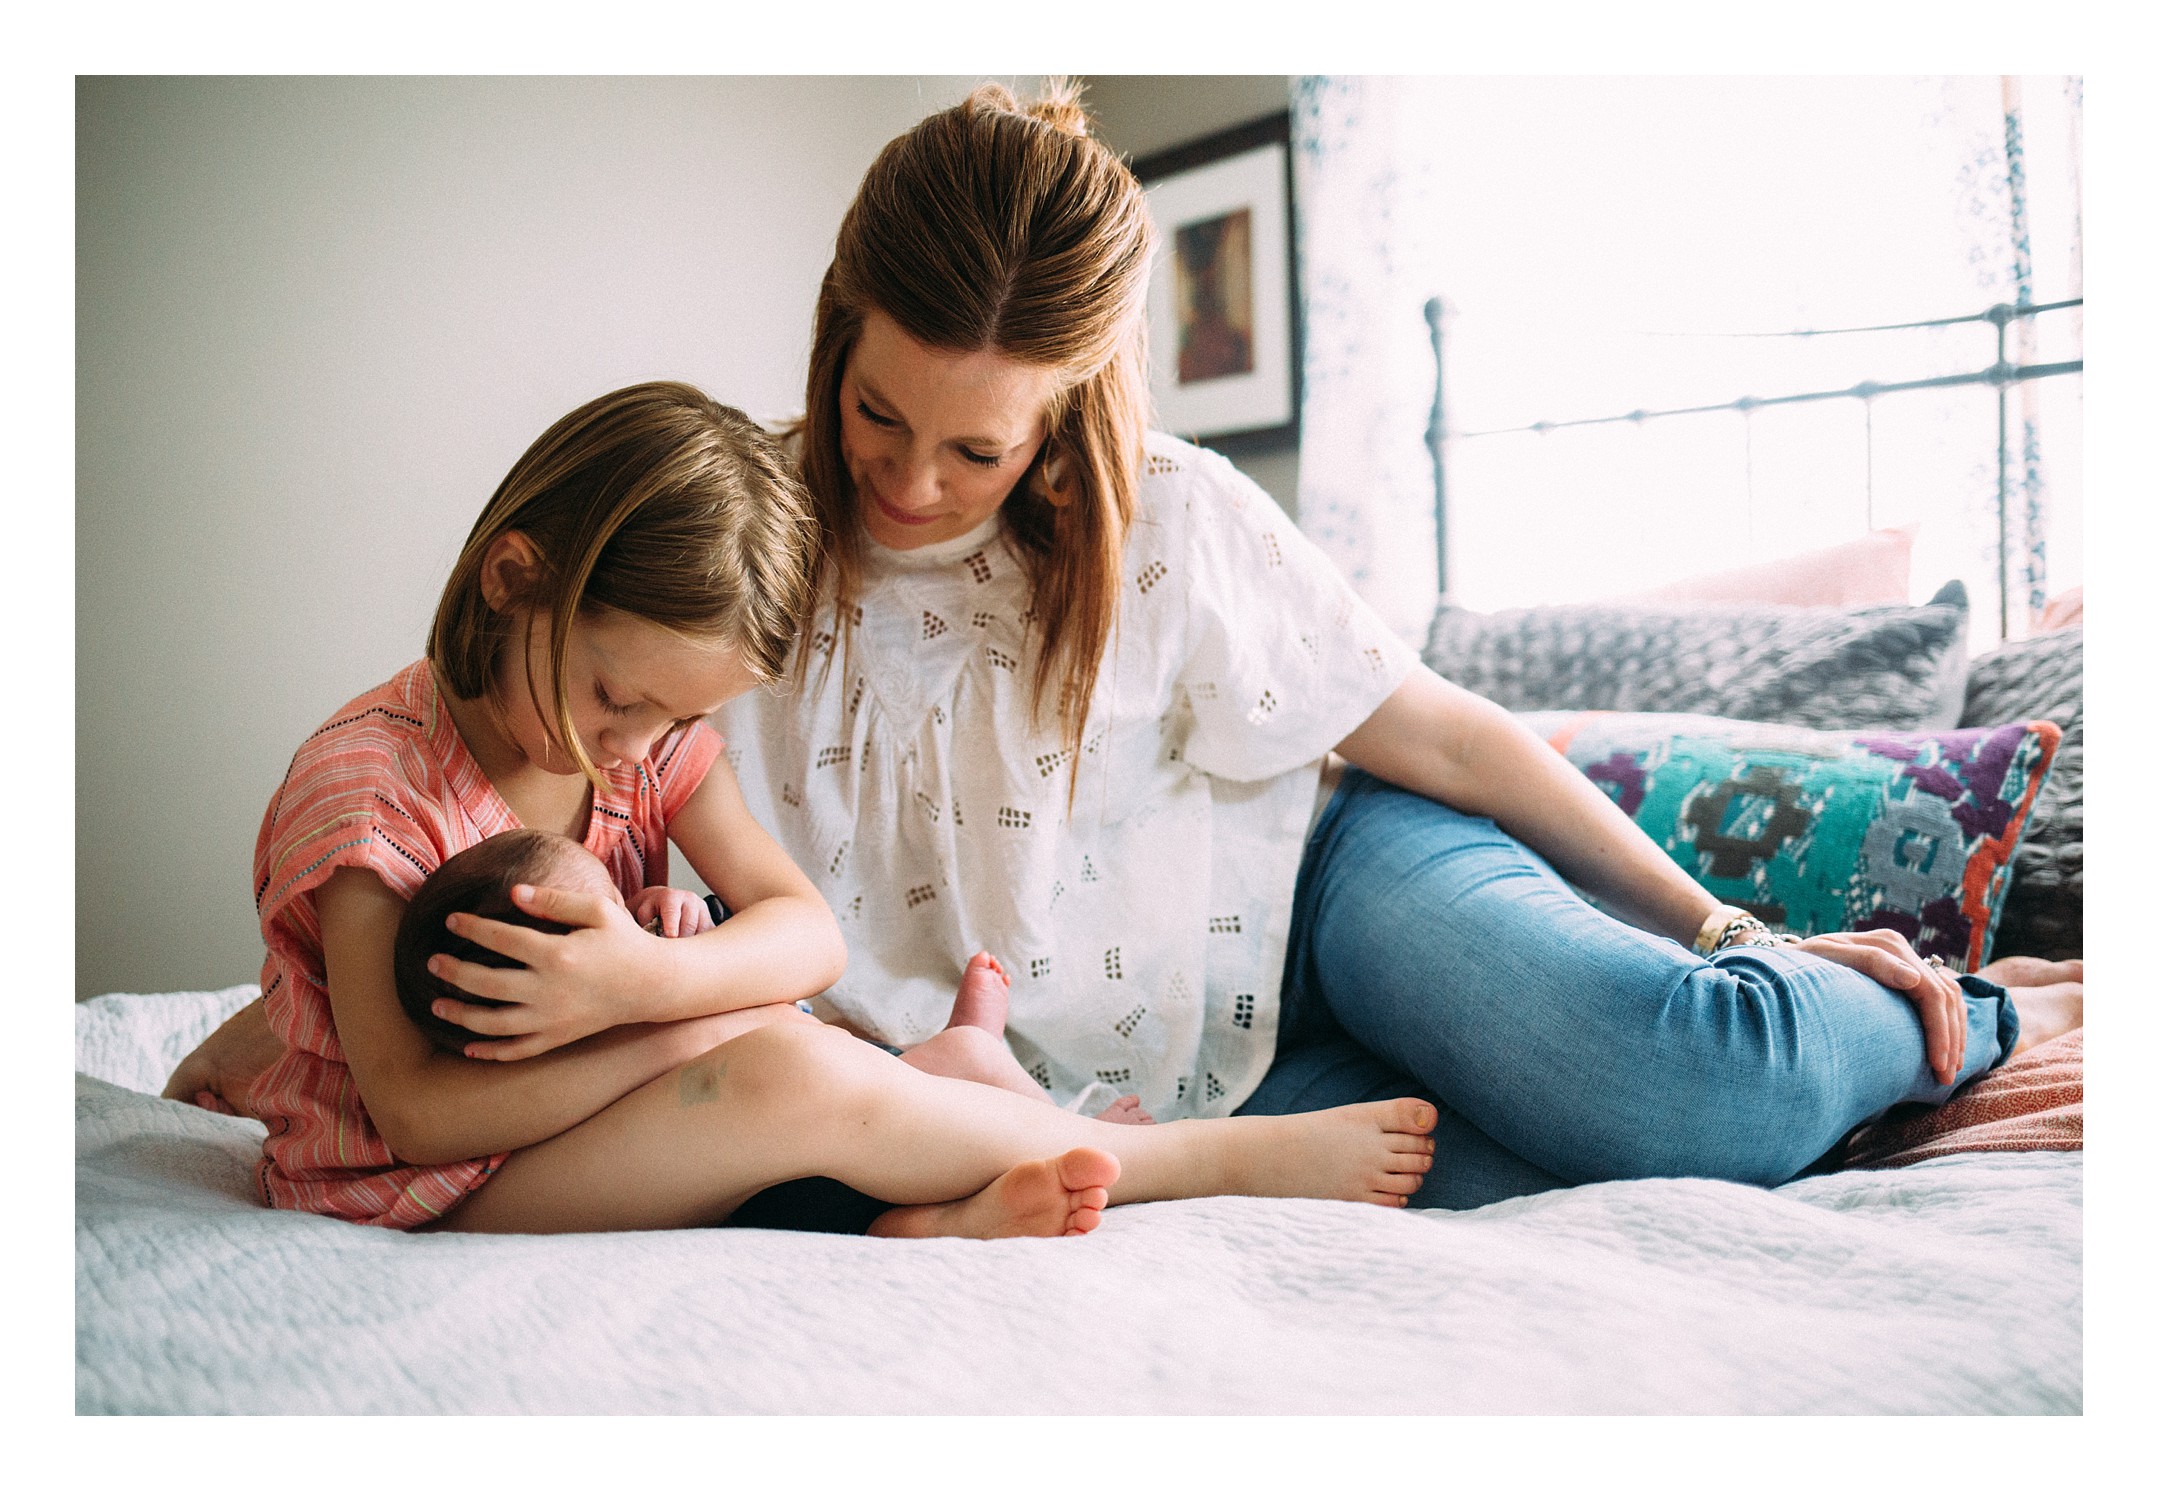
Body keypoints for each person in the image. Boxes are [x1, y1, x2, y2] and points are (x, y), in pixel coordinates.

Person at [171, 83, 2082, 1222]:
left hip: (1325, 882)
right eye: (876, 415)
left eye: (977, 447)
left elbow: (1446, 735)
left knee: (1695, 1085)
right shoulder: (737, 567)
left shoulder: (1170, 516)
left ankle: (1990, 1004)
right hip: (1148, 1070)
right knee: (1564, 1168)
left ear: (1062, 407)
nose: (913, 481)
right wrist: (298, 1029)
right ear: (835, 338)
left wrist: (1717, 927)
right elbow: (520, 774)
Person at [184, 377, 1436, 1238]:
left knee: (806, 1049)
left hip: (588, 1114)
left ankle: (924, 1204)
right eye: (617, 695)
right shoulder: (367, 797)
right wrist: (685, 1027)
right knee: (783, 1065)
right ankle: (1201, 1163)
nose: (633, 747)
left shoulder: (644, 739)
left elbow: (803, 934)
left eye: (676, 721)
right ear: (517, 578)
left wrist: (644, 982)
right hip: (425, 1185)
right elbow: (412, 1111)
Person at [394, 826, 1153, 1121]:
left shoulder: (639, 960)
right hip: (810, 1111)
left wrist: (679, 914)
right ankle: (1055, 1120)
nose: (634, 916)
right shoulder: (577, 1045)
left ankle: (976, 1070)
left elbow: (769, 961)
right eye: (608, 914)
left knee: (891, 1083)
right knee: (917, 1106)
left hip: (824, 1057)